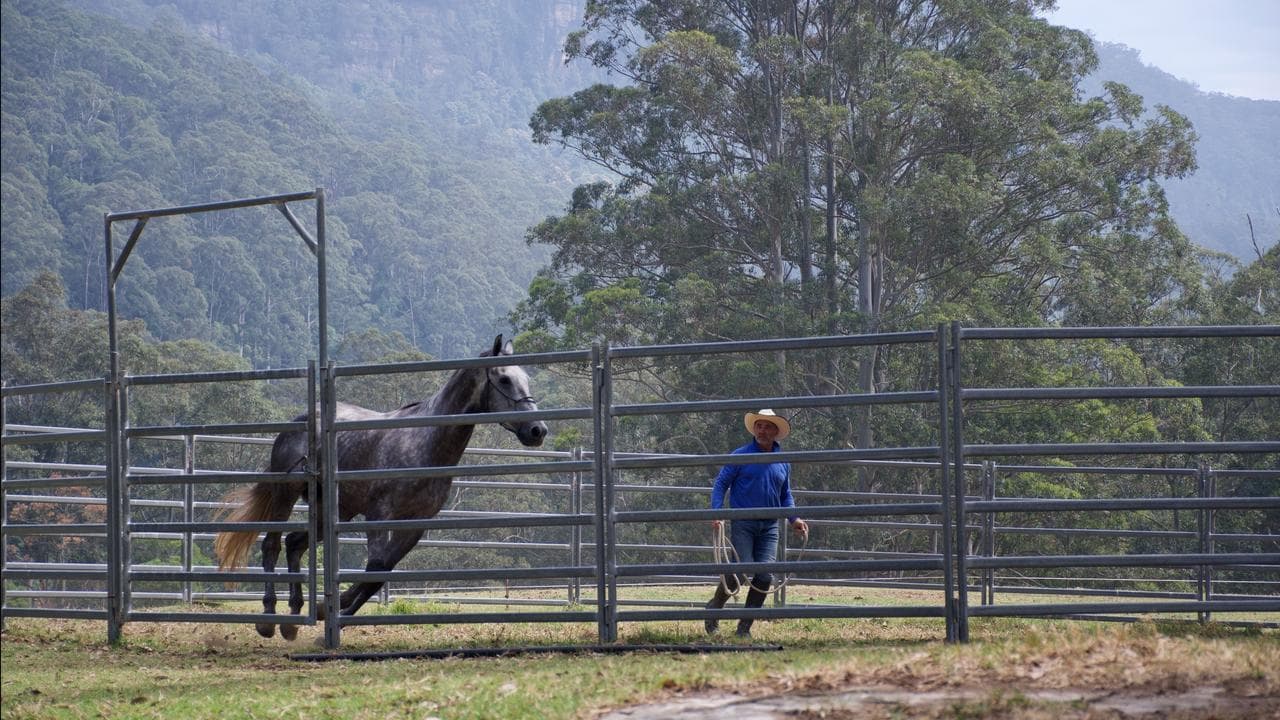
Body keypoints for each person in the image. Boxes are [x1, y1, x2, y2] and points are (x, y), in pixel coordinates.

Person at [705, 409, 809, 637]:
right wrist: (717, 511)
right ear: (754, 429)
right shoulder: (740, 455)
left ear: (775, 432)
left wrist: (794, 518)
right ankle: (714, 609)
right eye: (759, 426)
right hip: (743, 522)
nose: (762, 430)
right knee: (740, 572)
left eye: (767, 426)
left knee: (764, 577)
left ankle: (743, 628)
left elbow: (785, 494)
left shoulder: (782, 462)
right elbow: (721, 483)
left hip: (770, 527)